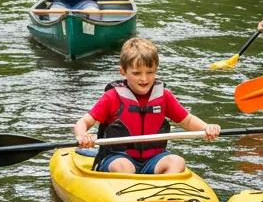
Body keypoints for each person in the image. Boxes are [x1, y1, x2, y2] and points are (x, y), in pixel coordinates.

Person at [73, 37, 221, 174]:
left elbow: (187, 120)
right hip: (117, 158)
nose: (144, 79)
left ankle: (163, 194)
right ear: (123, 72)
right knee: (123, 166)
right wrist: (82, 135)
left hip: (153, 159)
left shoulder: (164, 96)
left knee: (177, 161)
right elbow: (84, 122)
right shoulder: (112, 97)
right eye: (137, 73)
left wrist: (206, 128)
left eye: (150, 72)